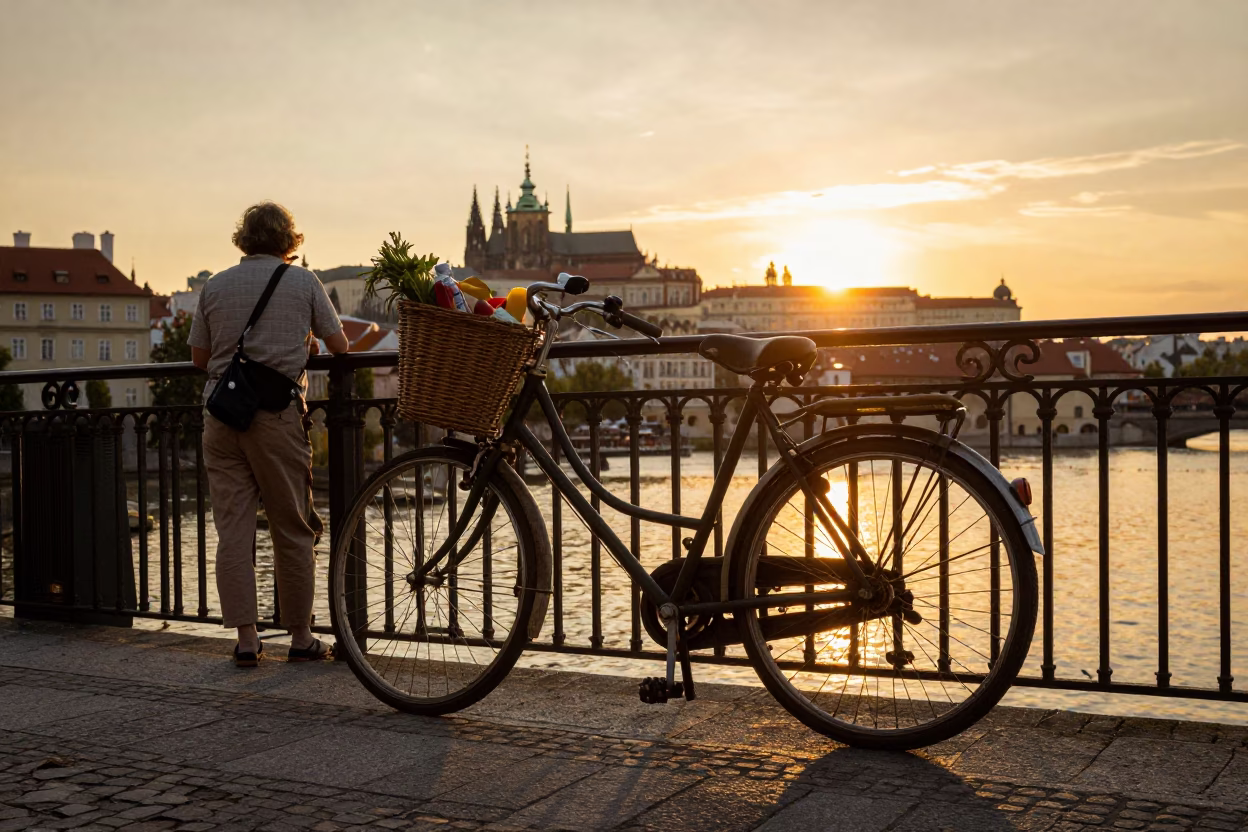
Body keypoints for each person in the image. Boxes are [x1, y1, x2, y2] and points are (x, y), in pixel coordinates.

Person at [189, 201, 349, 667]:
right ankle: (300, 637)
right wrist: (305, 343)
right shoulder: (302, 281)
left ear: (243, 239)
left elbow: (201, 358)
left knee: (233, 530)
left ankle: (245, 639)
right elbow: (340, 345)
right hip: (277, 417)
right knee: (293, 528)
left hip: (222, 417)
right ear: (289, 241)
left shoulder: (214, 285)